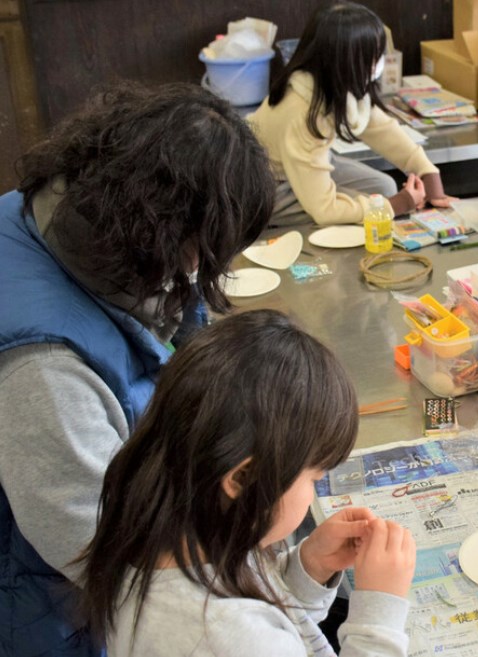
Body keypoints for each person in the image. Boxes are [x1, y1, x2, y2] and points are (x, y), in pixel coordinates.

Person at [0, 83, 276, 656]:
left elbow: (171, 334)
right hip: (49, 606)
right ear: (162, 231)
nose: (203, 268)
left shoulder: (68, 210)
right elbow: (98, 550)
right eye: (206, 248)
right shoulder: (44, 370)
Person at [75, 310, 416, 656]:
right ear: (242, 477)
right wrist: (379, 615)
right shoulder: (223, 635)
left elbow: (270, 619)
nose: (314, 489)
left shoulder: (174, 530)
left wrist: (311, 567)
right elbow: (252, 635)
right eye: (314, 478)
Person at [248, 1, 454, 226]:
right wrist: (397, 204)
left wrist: (428, 174)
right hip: (269, 187)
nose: (379, 63)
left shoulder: (330, 80)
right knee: (368, 211)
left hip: (304, 163)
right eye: (372, 56)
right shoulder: (303, 115)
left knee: (383, 188)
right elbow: (326, 211)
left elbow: (380, 127)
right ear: (345, 60)